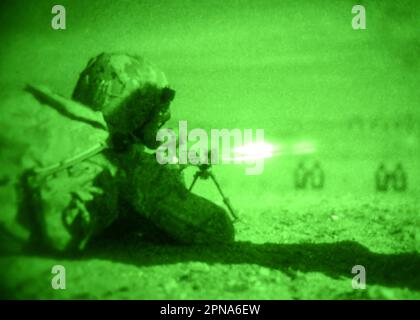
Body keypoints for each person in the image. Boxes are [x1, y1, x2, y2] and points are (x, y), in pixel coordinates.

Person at [17, 52, 235, 252]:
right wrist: (169, 170)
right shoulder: (122, 157)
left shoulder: (53, 119)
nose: (165, 115)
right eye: (157, 105)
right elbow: (216, 229)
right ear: (135, 105)